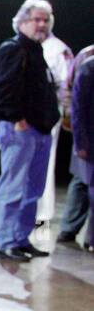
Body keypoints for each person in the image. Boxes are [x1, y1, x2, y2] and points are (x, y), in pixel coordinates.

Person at [0, 0, 61, 261]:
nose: (42, 25)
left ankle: (21, 239)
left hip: (38, 131)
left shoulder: (34, 50)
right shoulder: (14, 49)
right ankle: (7, 241)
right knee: (14, 188)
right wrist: (17, 120)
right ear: (22, 22)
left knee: (32, 190)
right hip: (20, 130)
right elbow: (2, 89)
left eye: (45, 20)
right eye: (37, 20)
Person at [35, 31, 74, 229]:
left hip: (49, 112)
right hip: (34, 111)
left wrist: (66, 113)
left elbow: (67, 85)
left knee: (45, 161)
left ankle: (41, 211)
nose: (40, 25)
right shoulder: (30, 46)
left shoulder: (58, 49)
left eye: (44, 20)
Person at [58, 43, 94, 245]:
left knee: (83, 181)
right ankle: (69, 229)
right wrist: (70, 119)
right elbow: (69, 89)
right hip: (85, 128)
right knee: (83, 179)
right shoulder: (87, 57)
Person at [68, 54, 94, 252]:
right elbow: (78, 108)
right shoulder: (88, 67)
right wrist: (81, 143)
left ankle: (70, 230)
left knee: (82, 184)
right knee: (85, 185)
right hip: (88, 140)